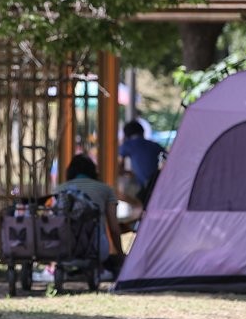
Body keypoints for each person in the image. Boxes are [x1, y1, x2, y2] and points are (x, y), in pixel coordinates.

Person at [53, 154, 125, 282]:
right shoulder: (105, 190)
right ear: (93, 171)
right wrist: (120, 255)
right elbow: (114, 228)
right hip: (96, 250)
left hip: (64, 249)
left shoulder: (60, 189)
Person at [118, 120, 165, 206]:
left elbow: (118, 167)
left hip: (142, 189)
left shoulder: (127, 145)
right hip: (157, 184)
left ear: (126, 134)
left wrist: (129, 173)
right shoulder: (153, 145)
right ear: (142, 132)